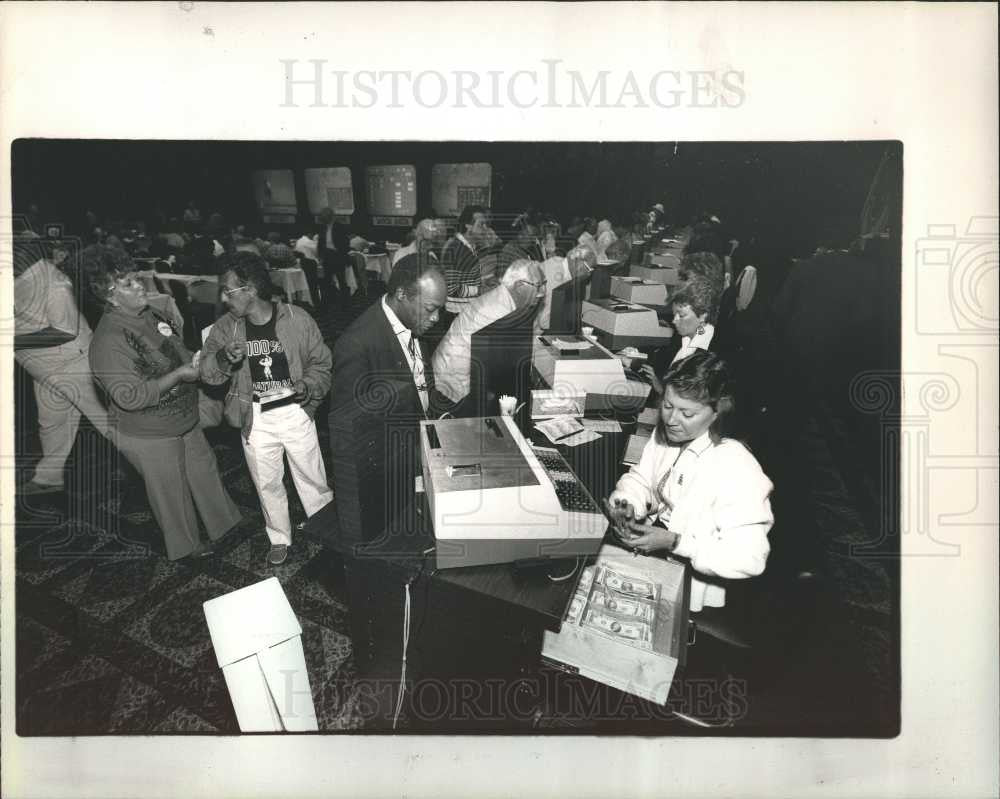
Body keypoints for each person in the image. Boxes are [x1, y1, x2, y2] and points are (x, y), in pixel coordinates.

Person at [86, 245, 241, 560]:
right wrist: (180, 375)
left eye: (137, 278)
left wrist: (208, 358)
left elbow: (178, 352)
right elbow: (131, 397)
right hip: (148, 431)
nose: (140, 285)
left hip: (181, 417)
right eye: (128, 284)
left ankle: (225, 525)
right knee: (171, 494)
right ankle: (188, 548)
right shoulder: (108, 340)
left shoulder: (150, 314)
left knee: (204, 469)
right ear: (110, 296)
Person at [607, 350, 773, 612]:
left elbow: (750, 558)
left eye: (687, 413)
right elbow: (641, 476)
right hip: (656, 554)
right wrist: (629, 502)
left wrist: (675, 542)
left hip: (691, 591)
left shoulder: (738, 466)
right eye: (668, 405)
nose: (671, 420)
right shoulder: (669, 434)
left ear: (718, 412)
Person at [200, 253, 334, 566]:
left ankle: (327, 530)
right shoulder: (225, 329)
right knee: (266, 481)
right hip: (254, 416)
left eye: (228, 291)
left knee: (312, 477)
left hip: (295, 411)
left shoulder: (296, 318)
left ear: (251, 289)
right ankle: (279, 535)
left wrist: (309, 384)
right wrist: (222, 358)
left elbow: (322, 362)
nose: (223, 298)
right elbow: (207, 373)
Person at [328, 255, 447, 544]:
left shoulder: (412, 322)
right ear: (401, 295)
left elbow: (421, 382)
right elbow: (351, 433)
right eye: (431, 309)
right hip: (391, 472)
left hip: (418, 450)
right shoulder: (356, 345)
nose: (436, 319)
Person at [13, 238, 111, 494]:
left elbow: (65, 331)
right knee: (52, 422)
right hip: (42, 366)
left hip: (72, 363)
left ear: (25, 257)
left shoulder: (55, 285)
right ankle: (49, 478)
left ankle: (151, 468)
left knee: (107, 421)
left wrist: (9, 340)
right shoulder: (18, 274)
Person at [432, 259, 546, 407]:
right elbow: (493, 367)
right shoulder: (496, 311)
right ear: (519, 286)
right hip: (453, 385)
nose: (542, 293)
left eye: (544, 284)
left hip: (468, 374)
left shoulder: (508, 300)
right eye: (538, 286)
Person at [642, 274, 722, 391]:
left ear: (703, 316)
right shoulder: (686, 336)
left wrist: (659, 387)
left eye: (682, 315)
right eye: (674, 314)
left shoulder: (714, 353)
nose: (674, 321)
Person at [440, 204, 489, 310]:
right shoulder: (455, 248)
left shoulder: (468, 246)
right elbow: (452, 289)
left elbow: (465, 280)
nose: (486, 228)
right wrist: (480, 290)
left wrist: (484, 283)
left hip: (465, 309)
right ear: (468, 225)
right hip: (456, 312)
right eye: (481, 224)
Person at [316, 207, 351, 306]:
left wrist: (341, 253)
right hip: (327, 256)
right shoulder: (322, 227)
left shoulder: (340, 227)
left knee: (341, 280)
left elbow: (346, 243)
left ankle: (345, 302)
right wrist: (320, 256)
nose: (323, 219)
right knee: (327, 281)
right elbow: (320, 243)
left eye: (324, 217)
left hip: (338, 256)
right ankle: (329, 301)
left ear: (330, 216)